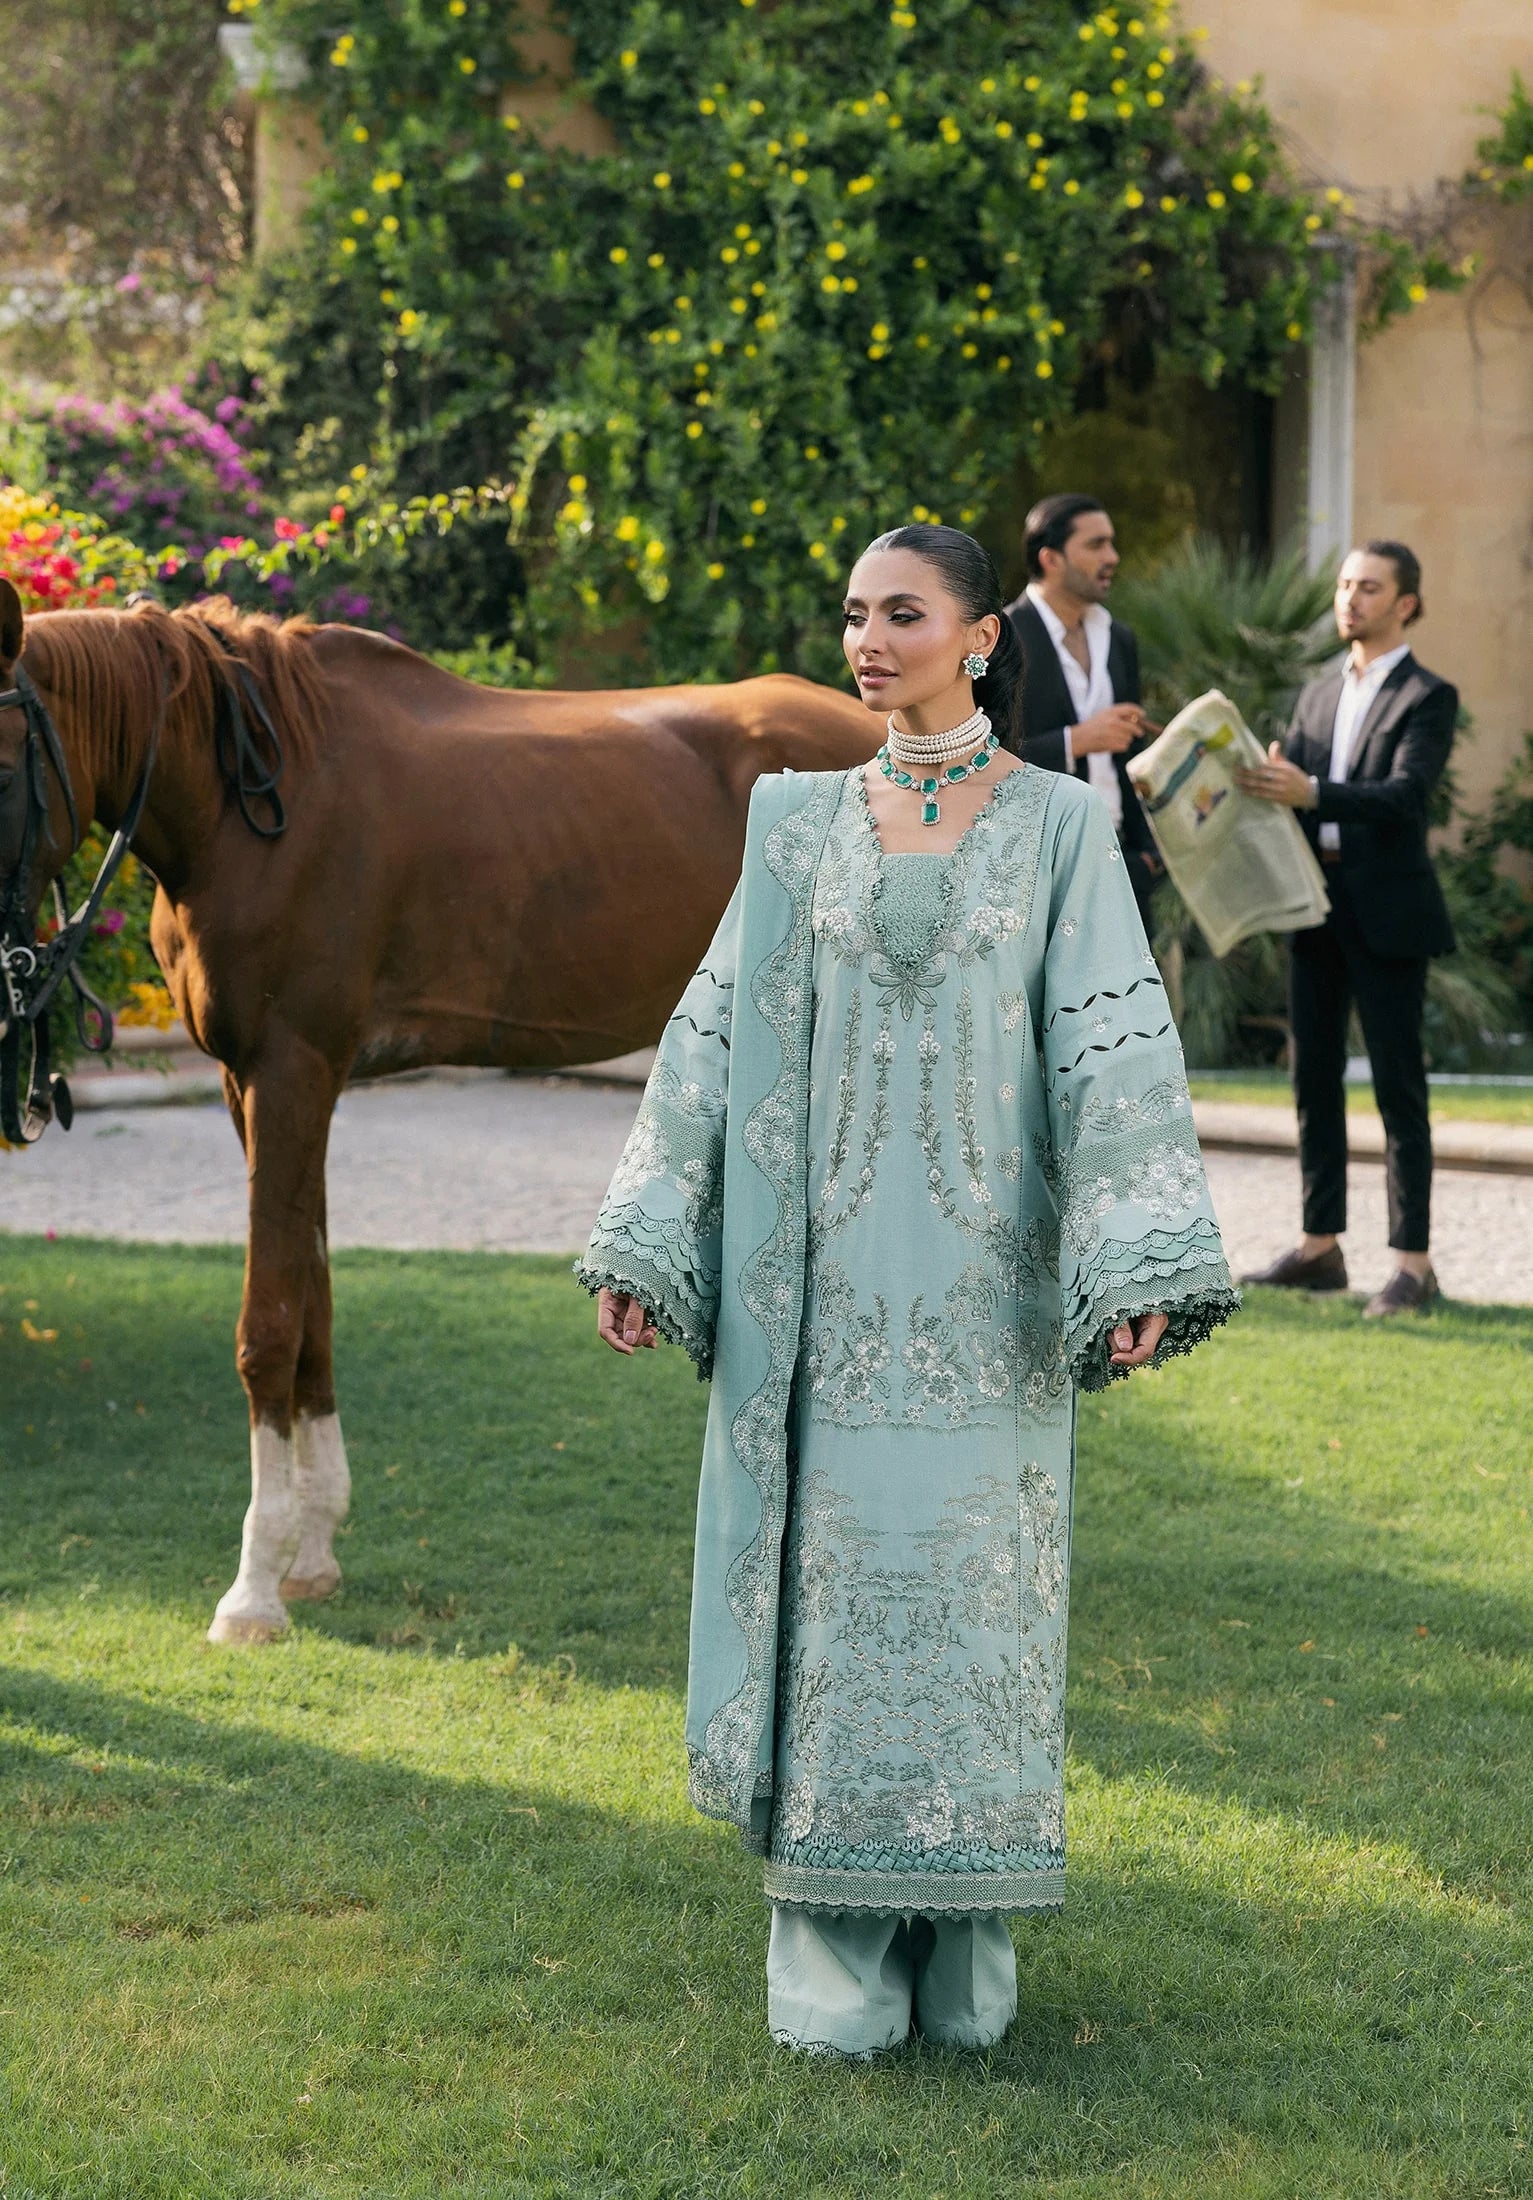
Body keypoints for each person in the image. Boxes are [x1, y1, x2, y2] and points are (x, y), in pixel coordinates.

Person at [579, 524, 1236, 2058]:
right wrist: (652, 1236)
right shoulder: (796, 826)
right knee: (837, 1612)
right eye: (855, 614)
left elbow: (1111, 1048)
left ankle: (964, 1968)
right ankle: (837, 1975)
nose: (869, 640)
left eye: (904, 614)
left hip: (989, 1312)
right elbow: (711, 1036)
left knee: (976, 1607)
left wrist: (1132, 1260)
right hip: (820, 1314)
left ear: (981, 636)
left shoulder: (1061, 828)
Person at [1235, 540, 1458, 1318]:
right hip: (1313, 906)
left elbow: (1405, 797)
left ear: (1405, 603)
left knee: (1398, 1087)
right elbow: (1293, 792)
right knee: (1311, 1080)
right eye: (1342, 585)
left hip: (1389, 913)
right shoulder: (1317, 693)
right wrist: (1263, 778)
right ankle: (1318, 1248)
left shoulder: (1428, 696)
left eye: (1367, 588)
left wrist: (1308, 789)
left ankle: (1412, 1266)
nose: (1348, 600)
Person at [1001, 493, 1163, 927]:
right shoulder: (1002, 639)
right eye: (1096, 545)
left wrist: (1147, 855)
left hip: (1122, 860)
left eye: (1111, 543)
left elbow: (1129, 755)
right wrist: (1076, 742)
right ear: (1050, 558)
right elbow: (982, 757)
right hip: (1035, 863)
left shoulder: (1119, 637)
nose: (1112, 557)